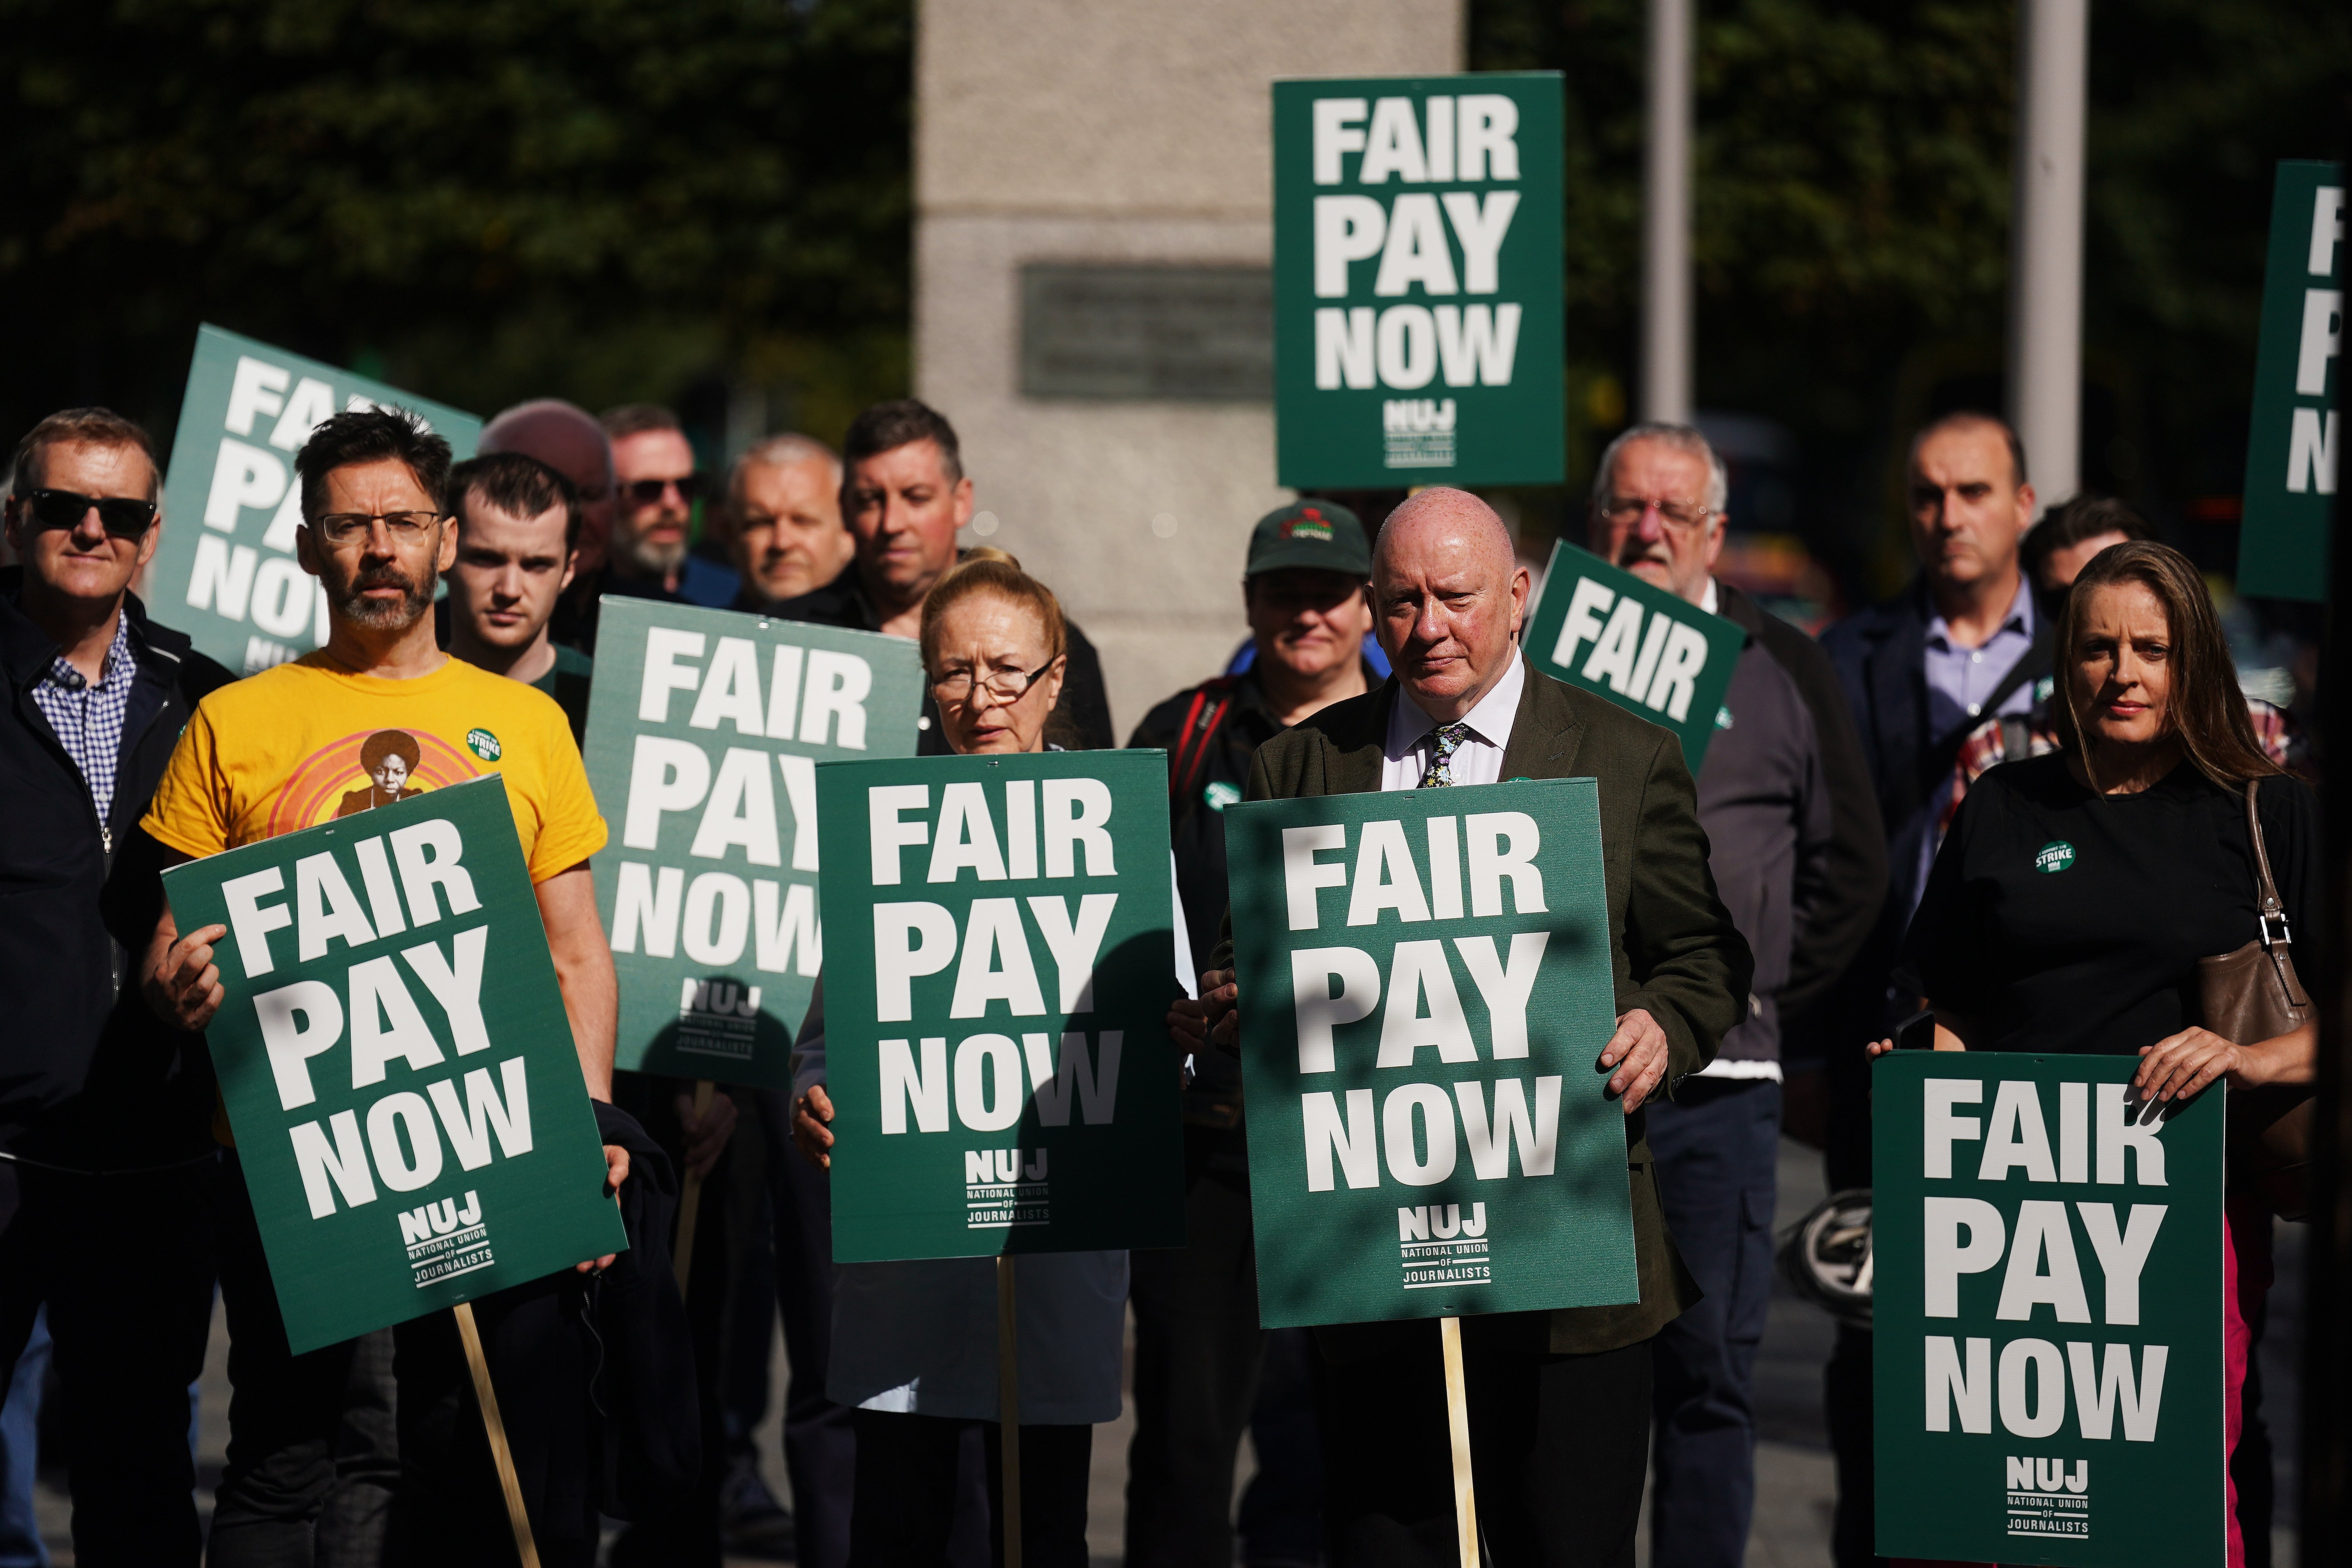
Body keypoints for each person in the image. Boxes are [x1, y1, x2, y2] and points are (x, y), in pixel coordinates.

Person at [137, 407, 660, 1568]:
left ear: (442, 541)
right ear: (309, 544)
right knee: (281, 1457)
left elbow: (576, 951)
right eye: (349, 523)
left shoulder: (523, 726)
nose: (378, 546)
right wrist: (172, 979)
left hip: (484, 1144)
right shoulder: (234, 722)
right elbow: (169, 937)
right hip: (287, 1161)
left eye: (403, 522)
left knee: (463, 1450)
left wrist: (584, 1126)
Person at [1199, 487, 1754, 1568]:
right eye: (1399, 602)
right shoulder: (1301, 768)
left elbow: (1704, 958)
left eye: (1454, 597)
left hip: (1570, 1263)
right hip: (1373, 1266)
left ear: (1514, 599)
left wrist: (1661, 1027)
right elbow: (1242, 964)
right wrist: (1232, 1005)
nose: (1428, 627)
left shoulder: (1621, 757)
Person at [1880, 538, 2317, 1568]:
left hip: (2180, 1212)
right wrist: (1918, 1074)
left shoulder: (2263, 810)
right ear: (2063, 662)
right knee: (1993, 1506)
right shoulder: (2002, 802)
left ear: (2192, 660)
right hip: (2001, 1215)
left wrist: (2242, 1060)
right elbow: (1947, 1001)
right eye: (2095, 648)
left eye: (2150, 648)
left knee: (2160, 1505)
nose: (2121, 673)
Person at [789, 551, 1187, 1568]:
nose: (981, 696)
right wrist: (814, 1097)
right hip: (909, 1266)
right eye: (955, 670)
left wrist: (1176, 1045)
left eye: (1008, 670)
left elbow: (1165, 1027)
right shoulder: (882, 832)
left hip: (1053, 1253)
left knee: (1040, 1528)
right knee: (901, 1524)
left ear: (1057, 678)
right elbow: (826, 1036)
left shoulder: (1116, 830)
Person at [1584, 423, 1885, 1568]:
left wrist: (1746, 994)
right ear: (1593, 522)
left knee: (1706, 1373)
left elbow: (1846, 866)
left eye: (1671, 510)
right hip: (1566, 1085)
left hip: (1720, 1087)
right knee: (1581, 1380)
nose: (1645, 530)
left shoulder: (1781, 661)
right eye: (1624, 507)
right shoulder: (1535, 660)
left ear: (1714, 529)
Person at [1119, 498, 1381, 1568]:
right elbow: (1118, 920)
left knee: (1346, 1443)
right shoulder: (1177, 733)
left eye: (1328, 592)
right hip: (1206, 1143)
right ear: (1247, 600)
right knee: (1184, 1436)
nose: (1306, 613)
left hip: (1366, 1149)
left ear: (1368, 604)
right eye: (1284, 591)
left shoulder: (1413, 743)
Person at [0, 408, 232, 1566]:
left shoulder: (213, 699)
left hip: (156, 1157)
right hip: (0, 1156)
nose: (90, 528)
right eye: (62, 506)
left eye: (120, 512)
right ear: (15, 518)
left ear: (152, 536)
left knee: (140, 1492)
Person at [1814, 411, 2046, 1565]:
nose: (1945, 515)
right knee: (1875, 1343)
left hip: (2041, 1063)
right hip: (1882, 1051)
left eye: (1970, 491)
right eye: (1924, 494)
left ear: (2021, 503)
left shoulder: (2083, 656)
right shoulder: (1846, 654)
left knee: (2028, 1348)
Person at [771, 399, 1115, 751]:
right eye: (870, 500)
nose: (893, 523)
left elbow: (1097, 792)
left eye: (916, 497)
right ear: (844, 509)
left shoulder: (1046, 641)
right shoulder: (784, 641)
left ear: (961, 502)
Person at [443, 450, 596, 743]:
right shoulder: (395, 695)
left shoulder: (602, 703)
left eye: (537, 565)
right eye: (486, 559)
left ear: (569, 570)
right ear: (443, 553)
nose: (510, 590)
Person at [476, 399, 620, 653]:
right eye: (543, 498)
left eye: (591, 495)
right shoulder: (427, 642)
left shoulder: (666, 627)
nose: (572, 518)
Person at [601, 404, 740, 609]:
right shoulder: (570, 602)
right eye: (647, 489)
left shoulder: (733, 599)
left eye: (686, 486)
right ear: (604, 494)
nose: (672, 503)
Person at [725, 433, 855, 610]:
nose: (782, 543)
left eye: (803, 521)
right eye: (761, 523)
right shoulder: (694, 634)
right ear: (730, 536)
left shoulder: (887, 634)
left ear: (848, 533)